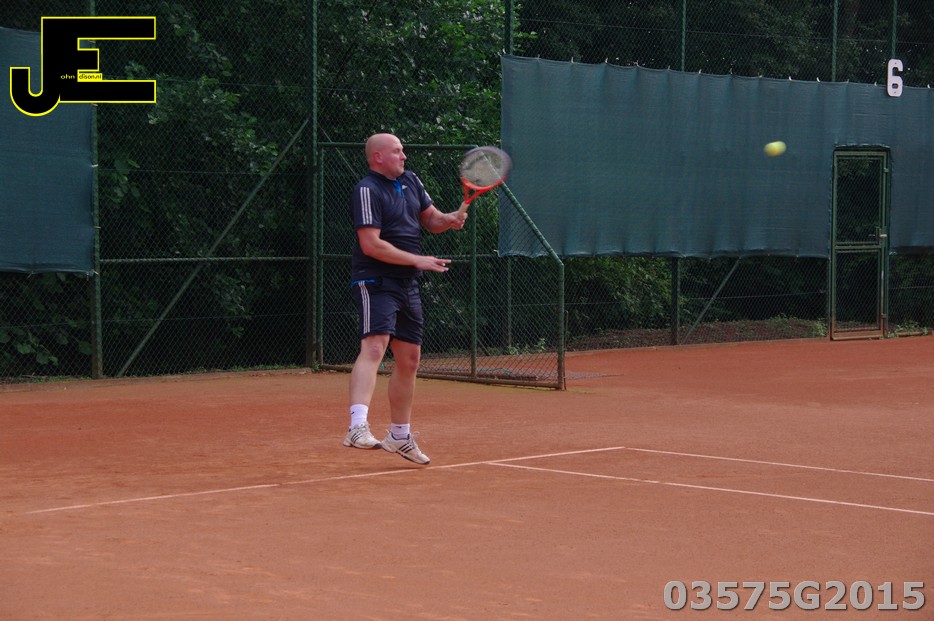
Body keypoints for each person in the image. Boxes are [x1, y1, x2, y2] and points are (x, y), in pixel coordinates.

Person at [343, 133, 468, 465]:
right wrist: (417, 260)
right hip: (375, 279)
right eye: (397, 151)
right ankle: (356, 427)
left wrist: (449, 219)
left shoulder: (411, 181)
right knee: (374, 346)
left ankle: (399, 436)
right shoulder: (367, 189)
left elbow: (431, 220)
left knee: (410, 359)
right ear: (378, 157)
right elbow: (371, 244)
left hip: (407, 282)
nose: (404, 156)